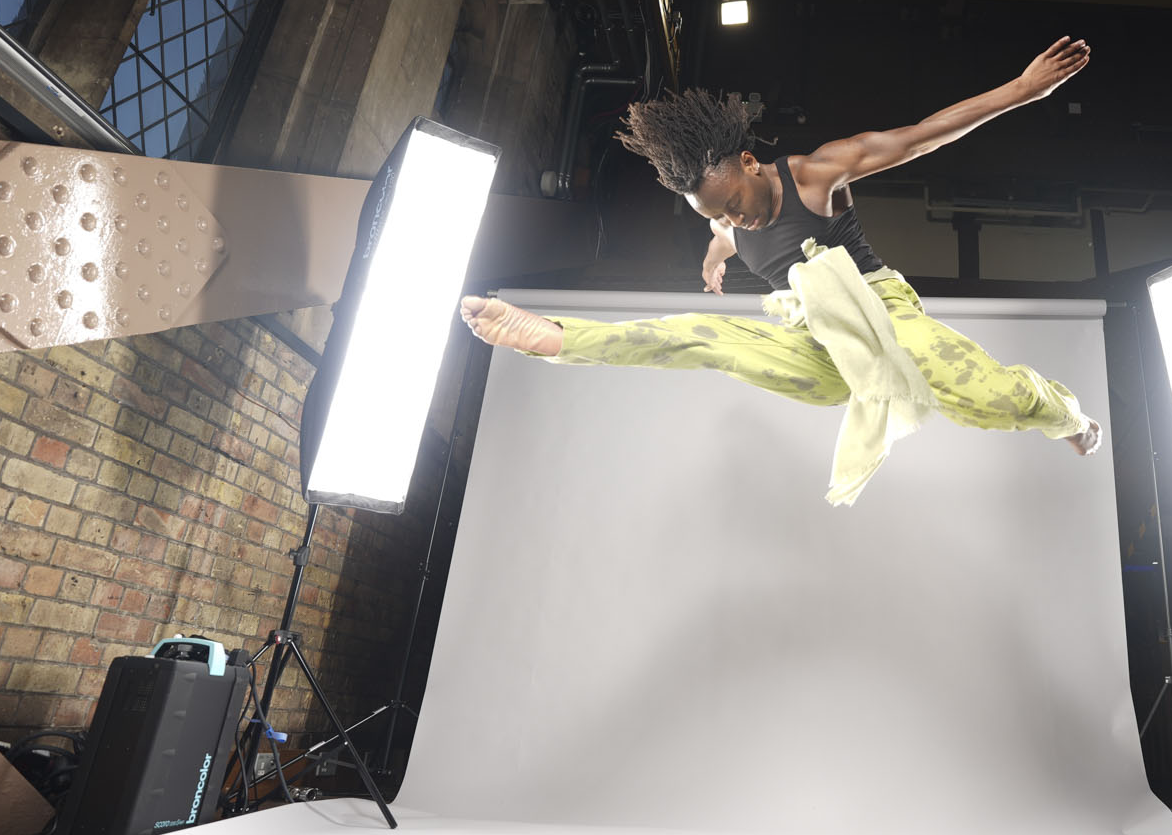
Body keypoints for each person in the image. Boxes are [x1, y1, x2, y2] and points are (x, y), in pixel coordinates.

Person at [459, 36, 1103, 505]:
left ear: (749, 162)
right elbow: (722, 236)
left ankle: (1073, 421)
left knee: (995, 398)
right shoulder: (726, 218)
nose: (736, 219)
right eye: (718, 215)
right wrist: (714, 254)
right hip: (817, 343)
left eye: (734, 204)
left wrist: (1023, 90)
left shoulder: (817, 175)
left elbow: (921, 135)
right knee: (699, 335)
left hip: (880, 316)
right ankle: (558, 337)